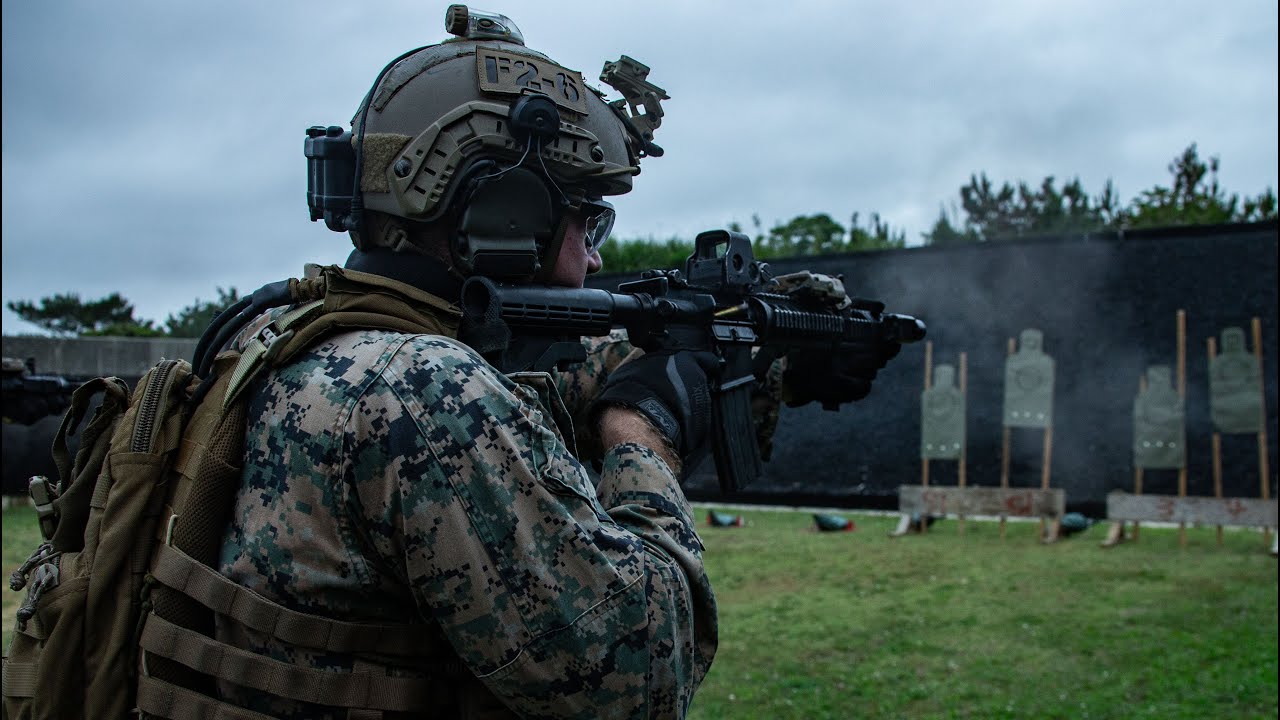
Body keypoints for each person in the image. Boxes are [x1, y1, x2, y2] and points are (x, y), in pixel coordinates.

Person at [208, 6, 899, 718]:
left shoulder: (287, 340)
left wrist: (773, 366)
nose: (596, 255)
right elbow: (641, 671)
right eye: (587, 217)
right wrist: (642, 432)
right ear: (506, 211)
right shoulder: (428, 390)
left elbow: (557, 381)